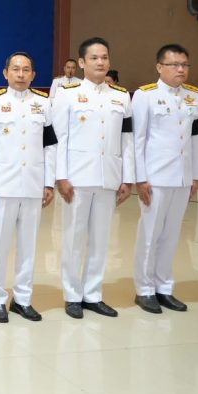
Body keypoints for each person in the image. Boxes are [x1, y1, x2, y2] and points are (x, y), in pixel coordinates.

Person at [51, 37, 134, 319]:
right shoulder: (67, 94)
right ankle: (72, 295)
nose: (101, 62)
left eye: (105, 57)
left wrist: (128, 178)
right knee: (74, 238)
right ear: (82, 63)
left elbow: (127, 140)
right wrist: (61, 176)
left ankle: (93, 294)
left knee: (101, 239)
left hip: (108, 176)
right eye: (94, 58)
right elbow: (59, 138)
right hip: (77, 177)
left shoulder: (121, 97)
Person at [0, 52, 56, 323]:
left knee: (29, 246)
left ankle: (22, 299)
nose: (20, 74)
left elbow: (50, 146)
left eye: (26, 70)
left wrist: (49, 181)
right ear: (6, 73)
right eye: (15, 69)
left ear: (33, 75)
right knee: (0, 245)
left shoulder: (44, 104)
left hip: (33, 184)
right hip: (4, 185)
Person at [130, 44, 198, 314]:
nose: (181, 70)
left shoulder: (194, 96)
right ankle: (145, 289)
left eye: (185, 65)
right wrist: (140, 178)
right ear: (160, 67)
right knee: (150, 234)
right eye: (174, 65)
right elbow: (138, 139)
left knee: (172, 235)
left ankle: (164, 287)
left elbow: (195, 139)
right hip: (156, 177)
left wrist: (195, 176)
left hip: (182, 177)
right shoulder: (145, 96)